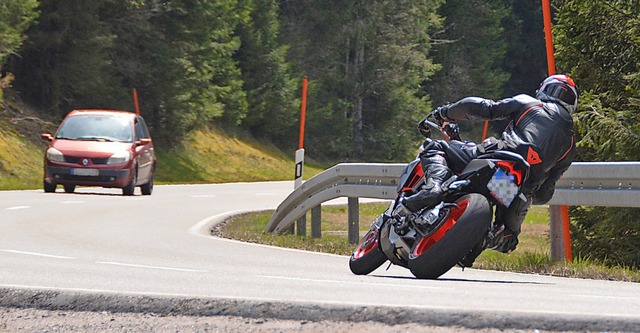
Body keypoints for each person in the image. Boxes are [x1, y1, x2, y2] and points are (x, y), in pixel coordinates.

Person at [400, 74, 578, 266]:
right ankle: (482, 239)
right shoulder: (570, 144)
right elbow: (545, 194)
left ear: (545, 89)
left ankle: (433, 187)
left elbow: (485, 108)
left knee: (435, 147)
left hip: (497, 160)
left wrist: (445, 113)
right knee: (507, 237)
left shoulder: (529, 103)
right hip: (515, 189)